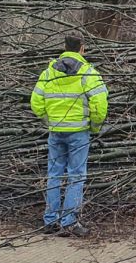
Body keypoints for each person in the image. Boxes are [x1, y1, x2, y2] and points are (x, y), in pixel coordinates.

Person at [30, 34, 108, 236]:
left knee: (54, 174)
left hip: (56, 131)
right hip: (79, 132)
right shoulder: (89, 74)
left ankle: (50, 221)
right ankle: (69, 222)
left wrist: (50, 121)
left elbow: (35, 103)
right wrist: (95, 127)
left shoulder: (48, 73)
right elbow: (100, 105)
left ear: (64, 47)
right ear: (82, 49)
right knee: (76, 176)